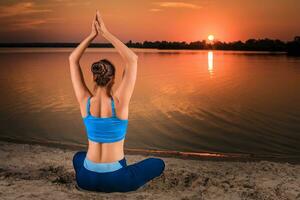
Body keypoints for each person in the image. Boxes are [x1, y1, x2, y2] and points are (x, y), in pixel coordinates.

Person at [68, 10, 165, 193]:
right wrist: (105, 33)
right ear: (113, 80)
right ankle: (117, 169)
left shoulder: (85, 102)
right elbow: (132, 60)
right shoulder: (119, 103)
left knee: (78, 157)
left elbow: (73, 59)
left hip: (86, 179)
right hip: (117, 181)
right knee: (157, 163)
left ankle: (104, 169)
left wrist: (92, 35)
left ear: (94, 78)